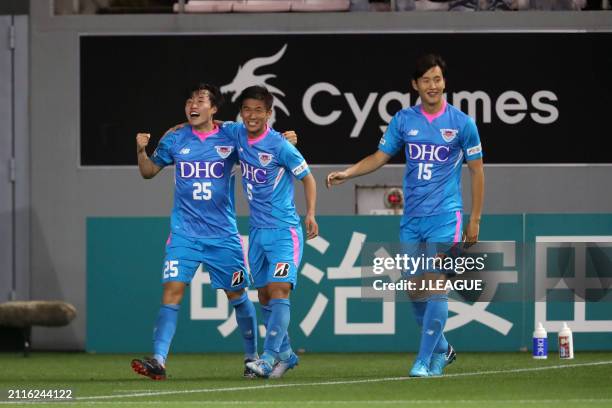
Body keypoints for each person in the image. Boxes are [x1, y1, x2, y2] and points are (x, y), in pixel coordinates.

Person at [326, 54, 484, 377]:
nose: (432, 86)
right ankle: (443, 348)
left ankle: (423, 361)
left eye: (437, 79)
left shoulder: (462, 124)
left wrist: (475, 218)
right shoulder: (403, 120)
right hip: (412, 218)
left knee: (437, 283)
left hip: (446, 215)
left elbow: (477, 172)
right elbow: (379, 157)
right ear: (415, 85)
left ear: (445, 83)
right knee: (415, 289)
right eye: (425, 80)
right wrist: (348, 173)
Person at [131, 84, 296, 380]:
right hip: (184, 234)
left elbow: (262, 139)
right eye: (189, 100)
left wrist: (286, 140)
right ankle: (158, 360)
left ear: (214, 109)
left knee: (238, 296)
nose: (193, 104)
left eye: (201, 100)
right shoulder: (175, 137)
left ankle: (251, 356)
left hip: (223, 236)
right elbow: (148, 172)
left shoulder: (231, 134)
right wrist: (141, 149)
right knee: (172, 291)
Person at [223, 85, 318, 379]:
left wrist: (311, 213)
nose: (252, 115)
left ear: (269, 113)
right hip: (257, 232)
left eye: (258, 110)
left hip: (284, 232)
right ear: (242, 112)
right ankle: (287, 354)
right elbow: (206, 126)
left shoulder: (280, 146)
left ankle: (267, 358)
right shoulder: (236, 134)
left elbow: (308, 178)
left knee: (279, 290)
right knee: (264, 296)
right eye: (247, 109)